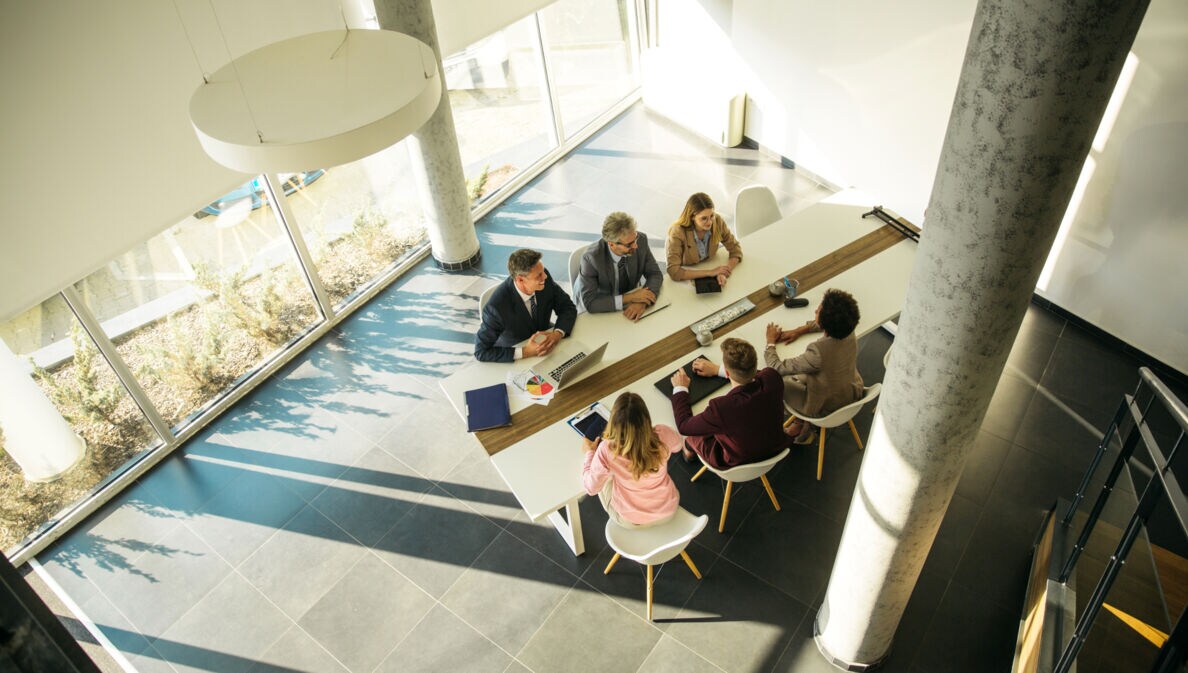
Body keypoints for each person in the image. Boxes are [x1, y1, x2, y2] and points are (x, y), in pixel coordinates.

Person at [765, 288, 865, 444]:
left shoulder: (817, 352)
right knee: (803, 375)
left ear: (825, 320)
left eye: (819, 309)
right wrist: (800, 330)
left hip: (824, 407)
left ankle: (804, 424)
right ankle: (800, 423)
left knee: (778, 381)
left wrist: (770, 342)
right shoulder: (849, 330)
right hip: (851, 392)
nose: (816, 310)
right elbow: (828, 323)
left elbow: (777, 367)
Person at [670, 338, 786, 469]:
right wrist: (718, 370)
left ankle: (688, 448)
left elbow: (684, 426)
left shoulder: (721, 408)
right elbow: (759, 374)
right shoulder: (772, 377)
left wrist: (680, 389)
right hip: (775, 446)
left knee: (694, 436)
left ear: (727, 371)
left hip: (738, 462)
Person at [580, 393, 685, 527]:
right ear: (646, 418)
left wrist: (590, 454)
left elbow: (591, 488)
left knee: (602, 477)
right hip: (668, 510)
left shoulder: (607, 449)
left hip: (632, 521)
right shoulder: (662, 433)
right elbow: (678, 445)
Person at [474, 248, 577, 363]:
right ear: (520, 280)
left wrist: (557, 334)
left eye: (543, 271)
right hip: (517, 350)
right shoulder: (496, 308)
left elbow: (567, 307)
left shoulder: (544, 277)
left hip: (547, 341)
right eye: (539, 275)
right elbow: (481, 351)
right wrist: (526, 351)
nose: (545, 277)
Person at [574, 211, 664, 320]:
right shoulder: (591, 259)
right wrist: (631, 297)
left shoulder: (641, 240)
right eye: (629, 244)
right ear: (611, 244)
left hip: (630, 301)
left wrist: (641, 302)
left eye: (635, 239)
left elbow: (655, 274)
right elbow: (591, 303)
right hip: (601, 305)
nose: (635, 245)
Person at [665, 192, 743, 287]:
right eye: (704, 218)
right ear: (692, 217)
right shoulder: (678, 232)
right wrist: (710, 272)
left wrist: (724, 272)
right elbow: (674, 271)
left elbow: (735, 249)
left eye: (711, 216)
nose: (710, 222)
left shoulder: (717, 221)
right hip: (688, 272)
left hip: (710, 264)